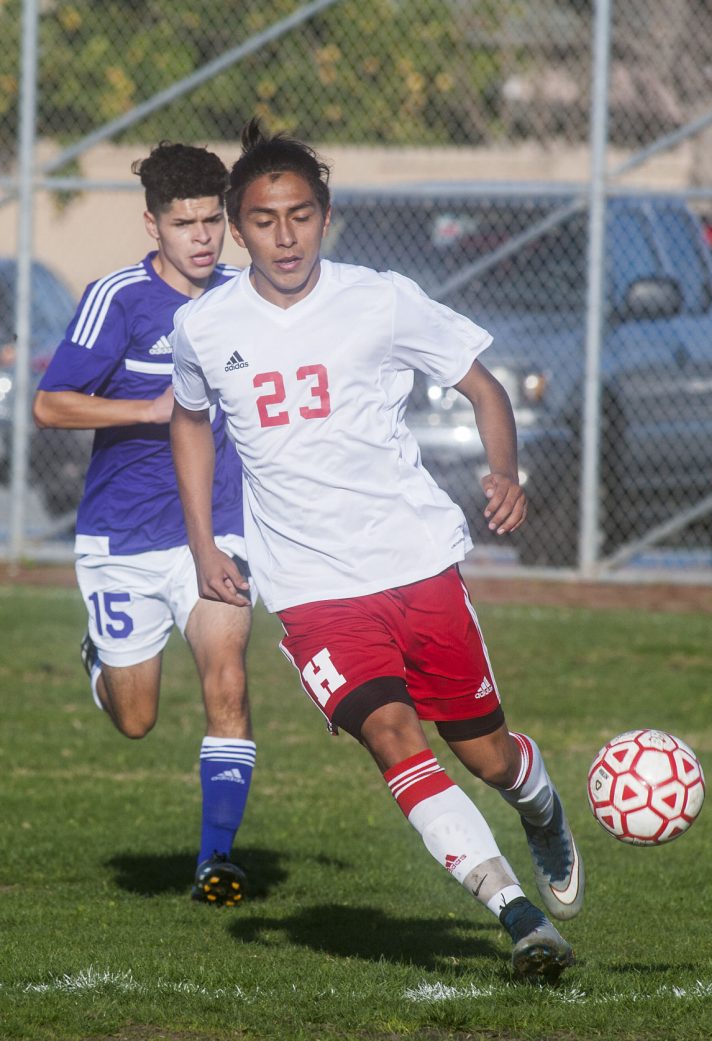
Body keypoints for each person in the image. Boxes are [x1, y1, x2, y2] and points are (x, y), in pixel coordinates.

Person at [169, 121, 584, 977]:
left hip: (416, 561)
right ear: (238, 228)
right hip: (312, 590)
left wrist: (504, 469)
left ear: (326, 216)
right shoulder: (205, 326)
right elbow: (189, 421)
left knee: (486, 754)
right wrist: (205, 541)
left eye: (300, 215)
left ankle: (537, 802)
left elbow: (482, 384)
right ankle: (518, 916)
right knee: (393, 734)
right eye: (262, 219)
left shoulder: (381, 298)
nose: (283, 236)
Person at [32, 142, 256, 906]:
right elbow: (49, 403)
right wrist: (147, 409)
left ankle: (217, 860)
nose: (202, 236)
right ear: (152, 223)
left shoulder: (246, 297)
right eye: (184, 221)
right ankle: (103, 652)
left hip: (217, 530)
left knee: (227, 674)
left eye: (213, 220)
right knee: (136, 718)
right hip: (122, 538)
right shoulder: (117, 298)